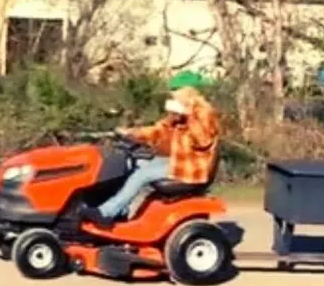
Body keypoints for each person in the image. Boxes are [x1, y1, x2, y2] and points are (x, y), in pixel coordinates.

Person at [81, 71, 221, 227]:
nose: (172, 96)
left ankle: (106, 213)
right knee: (134, 164)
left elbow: (202, 140)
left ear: (187, 91)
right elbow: (159, 130)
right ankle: (120, 211)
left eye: (175, 92)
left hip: (191, 168)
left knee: (142, 175)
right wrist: (133, 133)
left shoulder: (204, 111)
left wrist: (188, 115)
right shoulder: (180, 113)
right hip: (179, 160)